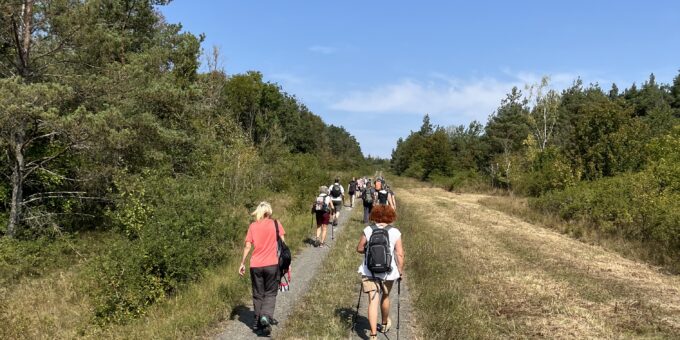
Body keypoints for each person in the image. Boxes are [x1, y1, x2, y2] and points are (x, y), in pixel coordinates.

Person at [356, 205, 404, 340]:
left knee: (373, 300)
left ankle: (372, 335)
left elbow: (359, 248)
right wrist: (400, 270)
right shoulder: (395, 232)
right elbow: (399, 254)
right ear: (391, 217)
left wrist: (368, 251)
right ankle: (384, 323)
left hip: (369, 270)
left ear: (374, 215)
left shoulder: (368, 229)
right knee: (385, 296)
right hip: (389, 272)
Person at [239, 202, 284, 336]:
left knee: (258, 294)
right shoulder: (275, 223)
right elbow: (283, 244)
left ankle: (258, 323)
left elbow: (247, 246)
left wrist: (242, 263)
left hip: (256, 265)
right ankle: (265, 316)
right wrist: (286, 263)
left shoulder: (252, 226)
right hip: (272, 264)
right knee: (270, 292)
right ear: (268, 212)